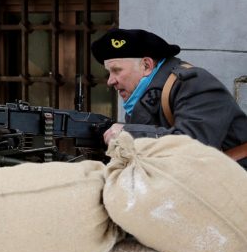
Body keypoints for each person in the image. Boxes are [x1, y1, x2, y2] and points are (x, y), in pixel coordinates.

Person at [91, 27, 247, 171]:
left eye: (116, 70)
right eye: (109, 73)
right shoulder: (143, 98)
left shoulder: (193, 82)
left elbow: (194, 145)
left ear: (146, 65)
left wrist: (127, 133)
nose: (110, 81)